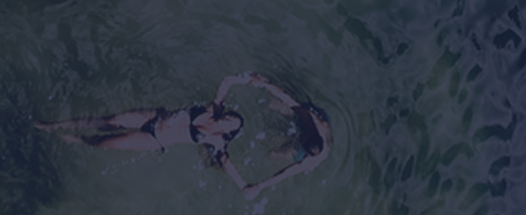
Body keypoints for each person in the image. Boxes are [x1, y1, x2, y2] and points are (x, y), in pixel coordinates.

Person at [34, 73, 331, 198]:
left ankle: (78, 139)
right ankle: (54, 125)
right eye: (230, 116)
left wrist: (246, 186)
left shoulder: (217, 141)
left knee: (104, 143)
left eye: (231, 123)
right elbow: (226, 83)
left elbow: (228, 164)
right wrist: (248, 79)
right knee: (110, 120)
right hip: (154, 117)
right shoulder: (213, 109)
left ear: (230, 132)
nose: (228, 119)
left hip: (155, 141)